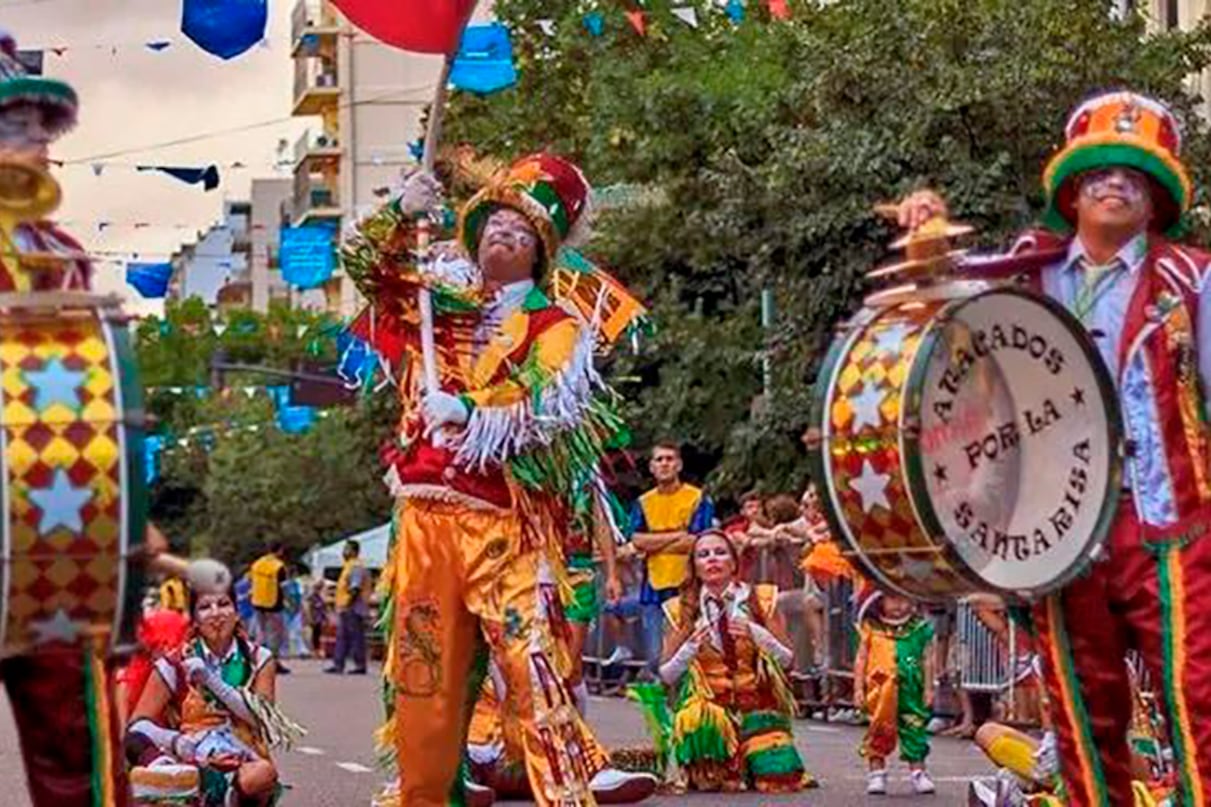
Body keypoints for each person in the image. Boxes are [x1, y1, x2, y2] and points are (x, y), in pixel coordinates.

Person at [897, 90, 1211, 806]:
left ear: (1156, 198)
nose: (1114, 184)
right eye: (1099, 172)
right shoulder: (1020, 272)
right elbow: (946, 360)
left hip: (1170, 519)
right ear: (1069, 192)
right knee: (1080, 702)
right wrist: (924, 242)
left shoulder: (1191, 277)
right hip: (1059, 526)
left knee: (1197, 694)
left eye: (1133, 175)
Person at [348, 153, 649, 806]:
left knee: (532, 662)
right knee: (423, 676)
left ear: (540, 253)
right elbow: (364, 267)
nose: (501, 237)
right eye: (492, 226)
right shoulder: (432, 301)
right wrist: (399, 214)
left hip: (501, 523)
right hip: (424, 518)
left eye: (519, 232)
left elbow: (549, 405)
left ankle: (566, 794)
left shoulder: (556, 324)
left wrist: (471, 413)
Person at [658, 530, 814, 793]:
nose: (712, 560)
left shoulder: (761, 599)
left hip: (756, 709)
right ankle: (722, 762)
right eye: (703, 555)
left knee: (778, 778)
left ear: (733, 563)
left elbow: (788, 660)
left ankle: (753, 757)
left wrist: (758, 634)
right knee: (714, 777)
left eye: (720, 552)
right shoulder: (680, 608)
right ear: (694, 566)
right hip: (713, 711)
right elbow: (666, 675)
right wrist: (691, 647)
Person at [125, 585, 302, 807]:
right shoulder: (173, 662)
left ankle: (213, 794)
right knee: (131, 742)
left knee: (262, 775)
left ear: (237, 613)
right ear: (195, 619)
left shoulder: (260, 659)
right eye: (205, 607)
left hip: (243, 760)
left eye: (224, 604)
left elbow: (261, 719)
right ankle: (181, 781)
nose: (216, 613)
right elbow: (137, 726)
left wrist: (211, 680)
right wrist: (183, 745)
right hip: (191, 758)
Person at [630, 442, 715, 675]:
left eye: (669, 459)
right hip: (653, 588)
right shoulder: (643, 503)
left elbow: (696, 541)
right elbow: (637, 540)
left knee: (684, 655)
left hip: (687, 587)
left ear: (679, 465)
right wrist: (678, 535)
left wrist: (655, 542)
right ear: (651, 467)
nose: (664, 464)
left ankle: (684, 707)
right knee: (656, 656)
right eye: (659, 460)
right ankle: (665, 705)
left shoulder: (697, 498)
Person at [853, 591, 936, 796]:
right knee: (878, 729)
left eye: (905, 598)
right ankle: (877, 773)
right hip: (879, 691)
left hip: (911, 690)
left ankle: (918, 772)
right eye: (893, 599)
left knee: (914, 729)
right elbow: (861, 658)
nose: (899, 604)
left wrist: (928, 688)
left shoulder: (919, 628)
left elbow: (928, 659)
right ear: (880, 600)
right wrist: (858, 688)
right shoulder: (871, 627)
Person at [325, 539, 369, 675]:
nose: (343, 552)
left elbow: (355, 588)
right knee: (342, 637)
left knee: (355, 637)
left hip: (353, 608)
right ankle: (338, 664)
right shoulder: (348, 566)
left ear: (354, 551)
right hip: (346, 607)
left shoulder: (356, 566)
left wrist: (347, 603)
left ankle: (359, 665)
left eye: (346, 549)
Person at [249, 543, 290, 675]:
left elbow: (251, 581)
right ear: (280, 551)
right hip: (274, 604)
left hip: (257, 602)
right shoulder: (278, 566)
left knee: (260, 634)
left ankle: (257, 662)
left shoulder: (257, 564)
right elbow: (284, 587)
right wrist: (288, 601)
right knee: (275, 636)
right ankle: (273, 663)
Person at [306, 578, 329, 659]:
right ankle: (314, 652)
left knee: (318, 635)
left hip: (319, 619)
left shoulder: (320, 597)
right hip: (315, 618)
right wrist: (310, 618)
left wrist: (325, 617)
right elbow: (308, 608)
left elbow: (323, 609)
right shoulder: (312, 597)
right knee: (314, 636)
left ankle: (318, 651)